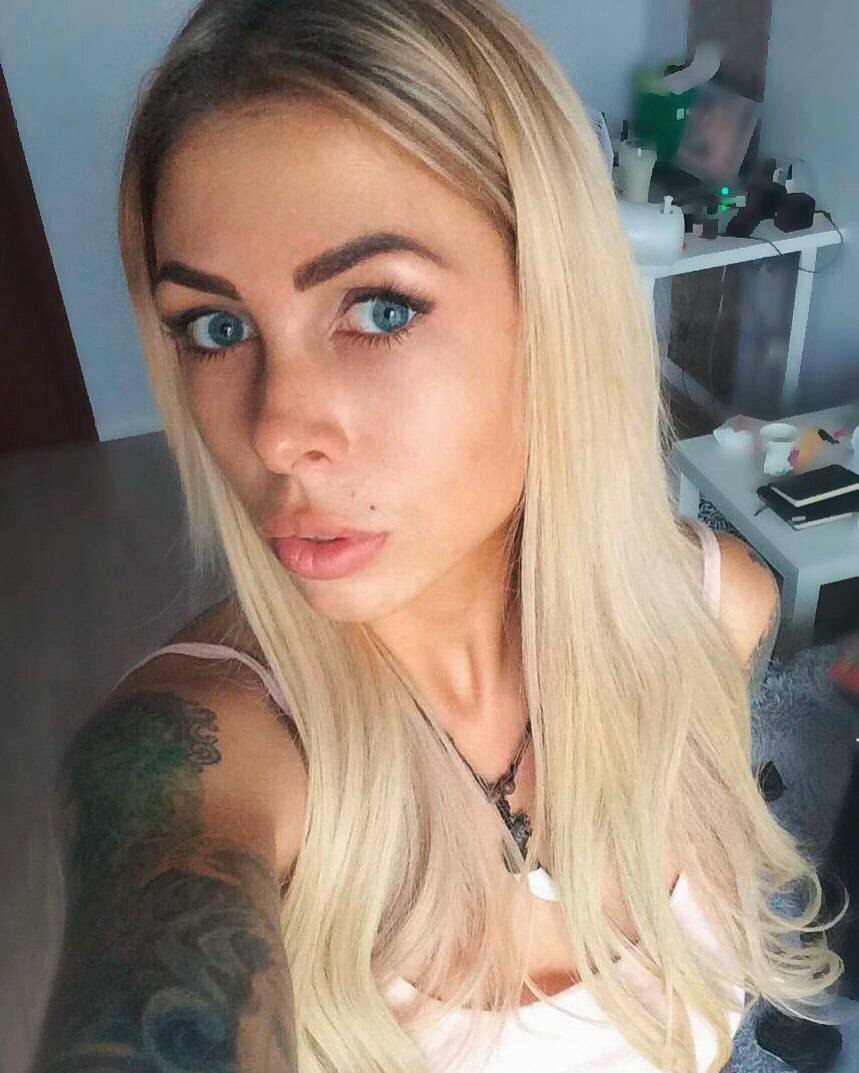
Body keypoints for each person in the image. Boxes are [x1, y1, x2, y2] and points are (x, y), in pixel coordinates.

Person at [33, 2, 847, 1072]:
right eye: (216, 328)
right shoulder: (202, 759)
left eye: (378, 309)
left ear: (552, 306)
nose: (275, 431)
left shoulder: (716, 612)